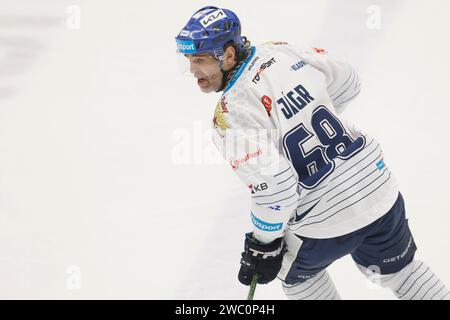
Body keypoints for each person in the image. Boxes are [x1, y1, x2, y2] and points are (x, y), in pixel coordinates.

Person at [175, 6, 449, 300]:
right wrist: (303, 118)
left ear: (228, 56)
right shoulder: (282, 51)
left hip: (322, 221)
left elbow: (276, 189)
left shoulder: (231, 113)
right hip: (377, 188)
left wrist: (263, 244)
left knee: (297, 279)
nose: (193, 71)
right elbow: (348, 81)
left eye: (200, 60)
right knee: (402, 272)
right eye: (189, 60)